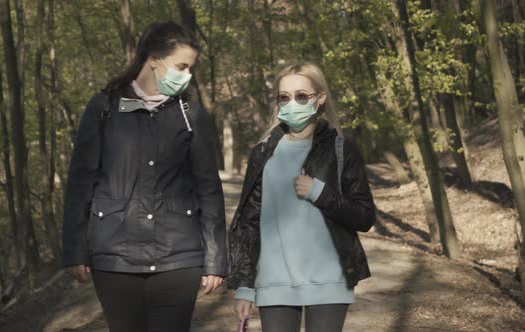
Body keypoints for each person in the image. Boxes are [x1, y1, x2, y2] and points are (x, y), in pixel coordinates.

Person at [62, 21, 227, 332]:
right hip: (114, 258)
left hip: (179, 257)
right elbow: (80, 182)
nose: (187, 76)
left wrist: (216, 258)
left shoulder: (190, 114)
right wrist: (73, 249)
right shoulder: (103, 108)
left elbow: (208, 188)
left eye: (191, 68)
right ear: (154, 59)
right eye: (181, 66)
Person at [227, 63, 377, 332]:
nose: (291, 103)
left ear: (320, 99)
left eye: (301, 96)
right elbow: (249, 222)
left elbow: (364, 217)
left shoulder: (342, 149)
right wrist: (245, 287)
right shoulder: (262, 153)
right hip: (274, 282)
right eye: (284, 97)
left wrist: (320, 193)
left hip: (329, 282)